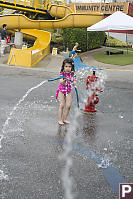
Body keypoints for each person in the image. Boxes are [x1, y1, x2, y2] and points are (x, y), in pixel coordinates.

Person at [56, 58, 77, 125]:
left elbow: (75, 82)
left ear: (72, 67)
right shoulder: (62, 73)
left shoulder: (73, 74)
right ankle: (60, 120)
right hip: (61, 91)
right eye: (66, 66)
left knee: (68, 106)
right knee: (62, 105)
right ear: (63, 67)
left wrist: (74, 83)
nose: (68, 68)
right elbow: (61, 82)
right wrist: (65, 80)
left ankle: (64, 119)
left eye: (69, 66)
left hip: (68, 91)